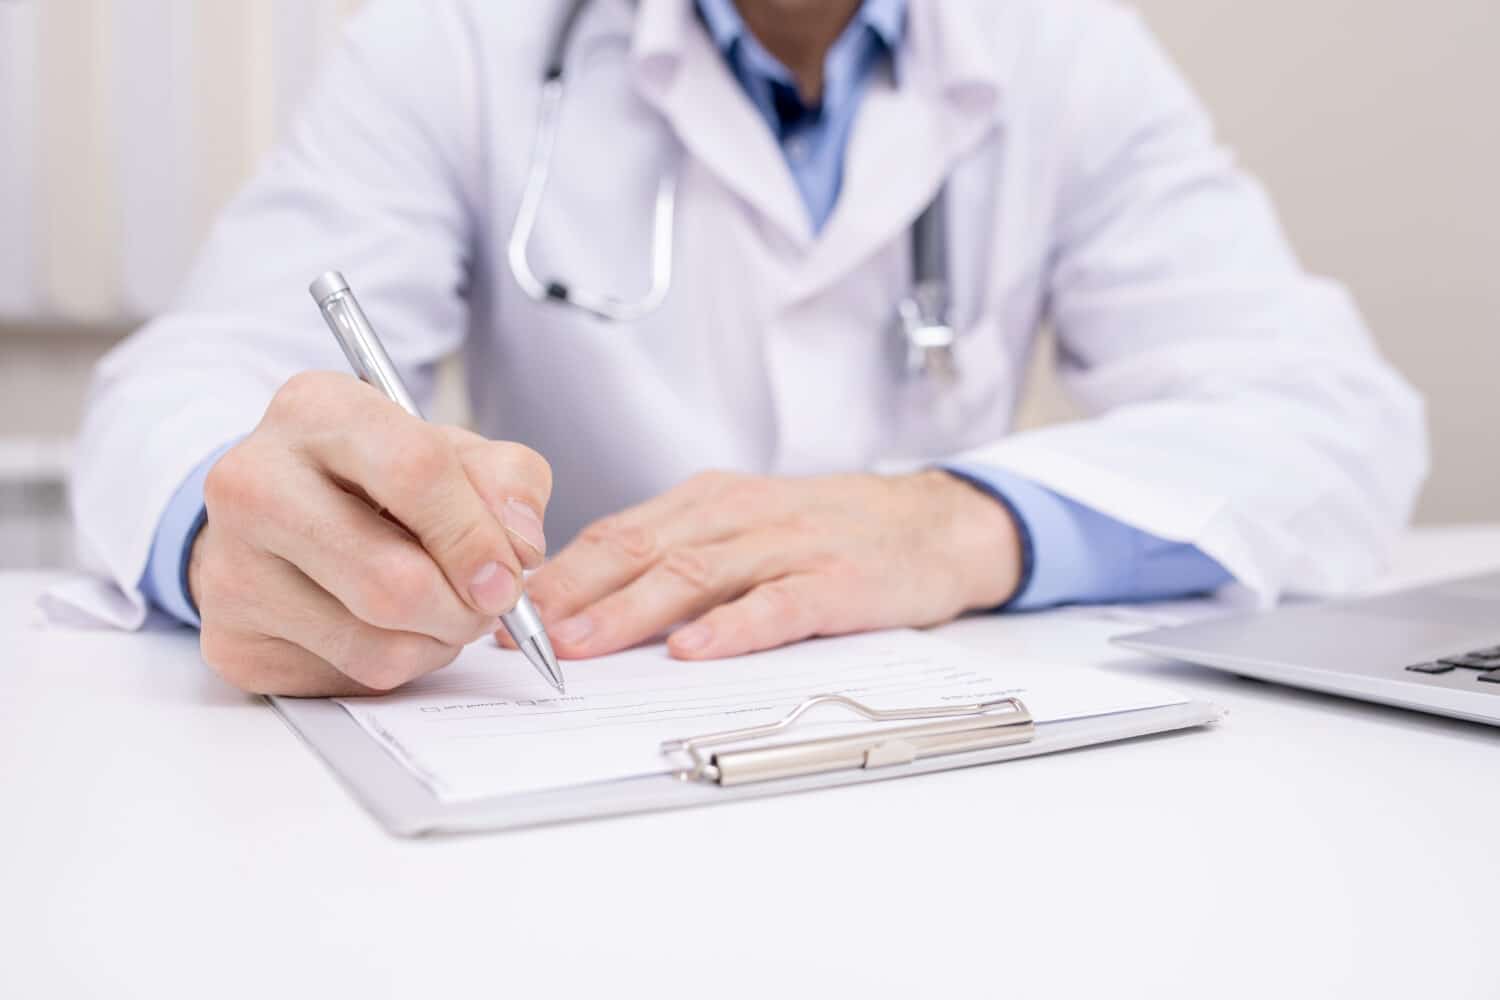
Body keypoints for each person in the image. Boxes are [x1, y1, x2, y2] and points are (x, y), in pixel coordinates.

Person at [72, 0, 1427, 697]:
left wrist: (951, 525)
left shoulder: (1058, 47)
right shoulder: (466, 34)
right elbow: (189, 386)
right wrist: (231, 527)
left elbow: (1332, 423)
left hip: (954, 782)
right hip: (573, 762)